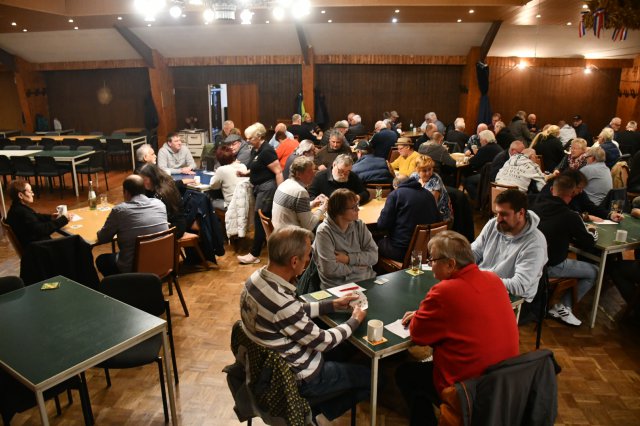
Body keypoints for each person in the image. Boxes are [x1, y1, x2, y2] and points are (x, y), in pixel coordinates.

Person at [239, 226, 370, 422]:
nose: (309, 260)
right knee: (374, 379)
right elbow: (323, 341)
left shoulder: (255, 279)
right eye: (308, 255)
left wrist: (332, 305)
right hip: (303, 378)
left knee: (348, 350)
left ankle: (313, 408)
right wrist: (355, 320)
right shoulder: (283, 304)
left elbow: (293, 311)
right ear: (294, 261)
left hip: (273, 365)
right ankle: (309, 413)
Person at [396, 231, 519, 426]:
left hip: (467, 391)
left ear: (450, 264)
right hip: (505, 386)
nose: (429, 264)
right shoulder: (494, 279)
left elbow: (418, 335)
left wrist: (420, 315)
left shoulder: (444, 291)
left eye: (432, 259)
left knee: (406, 374)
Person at [531, 175, 598, 326]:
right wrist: (593, 232)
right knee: (595, 272)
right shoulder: (570, 216)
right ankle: (564, 306)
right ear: (572, 193)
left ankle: (559, 305)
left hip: (529, 261)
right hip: (550, 266)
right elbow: (588, 243)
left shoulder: (534, 206)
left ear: (551, 189)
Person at [471, 189, 547, 304]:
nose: (498, 219)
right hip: (484, 284)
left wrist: (482, 279)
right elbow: (475, 251)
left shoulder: (535, 243)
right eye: (497, 213)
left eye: (504, 214)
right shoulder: (493, 224)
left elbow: (519, 286)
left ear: (521, 213)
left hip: (513, 299)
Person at [95, 175, 169, 276]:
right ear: (143, 189)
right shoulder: (160, 204)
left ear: (126, 192)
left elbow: (103, 238)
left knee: (101, 260)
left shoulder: (120, 211)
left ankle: (124, 284)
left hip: (134, 269)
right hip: (162, 263)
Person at [237, 122, 284, 265]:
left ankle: (254, 254)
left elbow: (278, 172)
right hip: (259, 188)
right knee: (260, 220)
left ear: (259, 137)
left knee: (260, 220)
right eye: (247, 138)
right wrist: (246, 173)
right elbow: (258, 167)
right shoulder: (255, 149)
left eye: (250, 138)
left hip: (267, 188)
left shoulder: (267, 151)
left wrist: (281, 193)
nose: (247, 141)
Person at [314, 189, 378, 289]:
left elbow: (374, 256)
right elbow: (330, 270)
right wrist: (359, 267)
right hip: (338, 286)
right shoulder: (323, 232)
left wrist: (348, 259)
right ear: (340, 211)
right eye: (354, 207)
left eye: (357, 205)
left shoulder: (359, 225)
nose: (358, 209)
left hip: (365, 279)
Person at [377, 175, 441, 262]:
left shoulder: (395, 194)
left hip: (402, 252)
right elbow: (438, 220)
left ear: (395, 186)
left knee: (375, 242)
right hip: (426, 251)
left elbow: (382, 225)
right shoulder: (429, 194)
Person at [5, 180, 71, 249]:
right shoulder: (22, 212)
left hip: (36, 246)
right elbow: (42, 230)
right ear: (20, 195)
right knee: (74, 242)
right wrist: (63, 219)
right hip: (40, 249)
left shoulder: (16, 208)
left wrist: (50, 217)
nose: (33, 194)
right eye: (30, 192)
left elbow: (35, 216)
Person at [272, 156, 327, 231]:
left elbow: (294, 208)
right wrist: (323, 207)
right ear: (298, 174)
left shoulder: (284, 184)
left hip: (278, 232)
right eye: (309, 171)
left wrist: (313, 203)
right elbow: (309, 225)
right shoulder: (300, 192)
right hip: (290, 235)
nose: (313, 174)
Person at [138, 164, 187, 239]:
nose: (143, 183)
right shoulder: (156, 186)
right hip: (168, 223)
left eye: (145, 180)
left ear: (153, 178)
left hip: (175, 227)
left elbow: (159, 217)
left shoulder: (161, 193)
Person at [463, 129, 503, 200]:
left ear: (485, 140)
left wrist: (469, 159)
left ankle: (479, 200)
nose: (480, 141)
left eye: (481, 140)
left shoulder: (485, 149)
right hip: (497, 175)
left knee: (467, 181)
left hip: (488, 176)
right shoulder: (498, 147)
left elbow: (472, 162)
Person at [410, 155, 452, 222]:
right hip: (422, 209)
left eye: (430, 169)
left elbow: (431, 205)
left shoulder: (435, 180)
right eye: (424, 171)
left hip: (440, 216)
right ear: (417, 170)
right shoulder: (414, 176)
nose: (428, 173)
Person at [208, 144, 249, 209]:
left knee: (208, 201)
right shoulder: (243, 166)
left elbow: (213, 186)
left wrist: (216, 173)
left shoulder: (221, 170)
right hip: (246, 204)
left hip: (231, 206)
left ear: (219, 159)